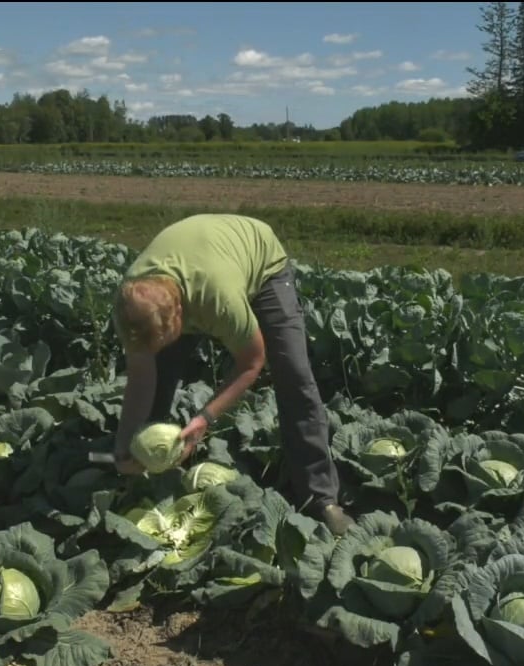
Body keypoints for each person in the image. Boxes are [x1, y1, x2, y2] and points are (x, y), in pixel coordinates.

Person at [110, 214, 355, 537]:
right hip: (202, 254)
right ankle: (146, 478)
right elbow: (141, 377)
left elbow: (252, 363)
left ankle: (321, 497)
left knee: (293, 373)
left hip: (260, 260)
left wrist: (204, 418)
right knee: (160, 370)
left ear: (181, 316)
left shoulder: (218, 299)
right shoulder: (132, 306)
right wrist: (124, 443)